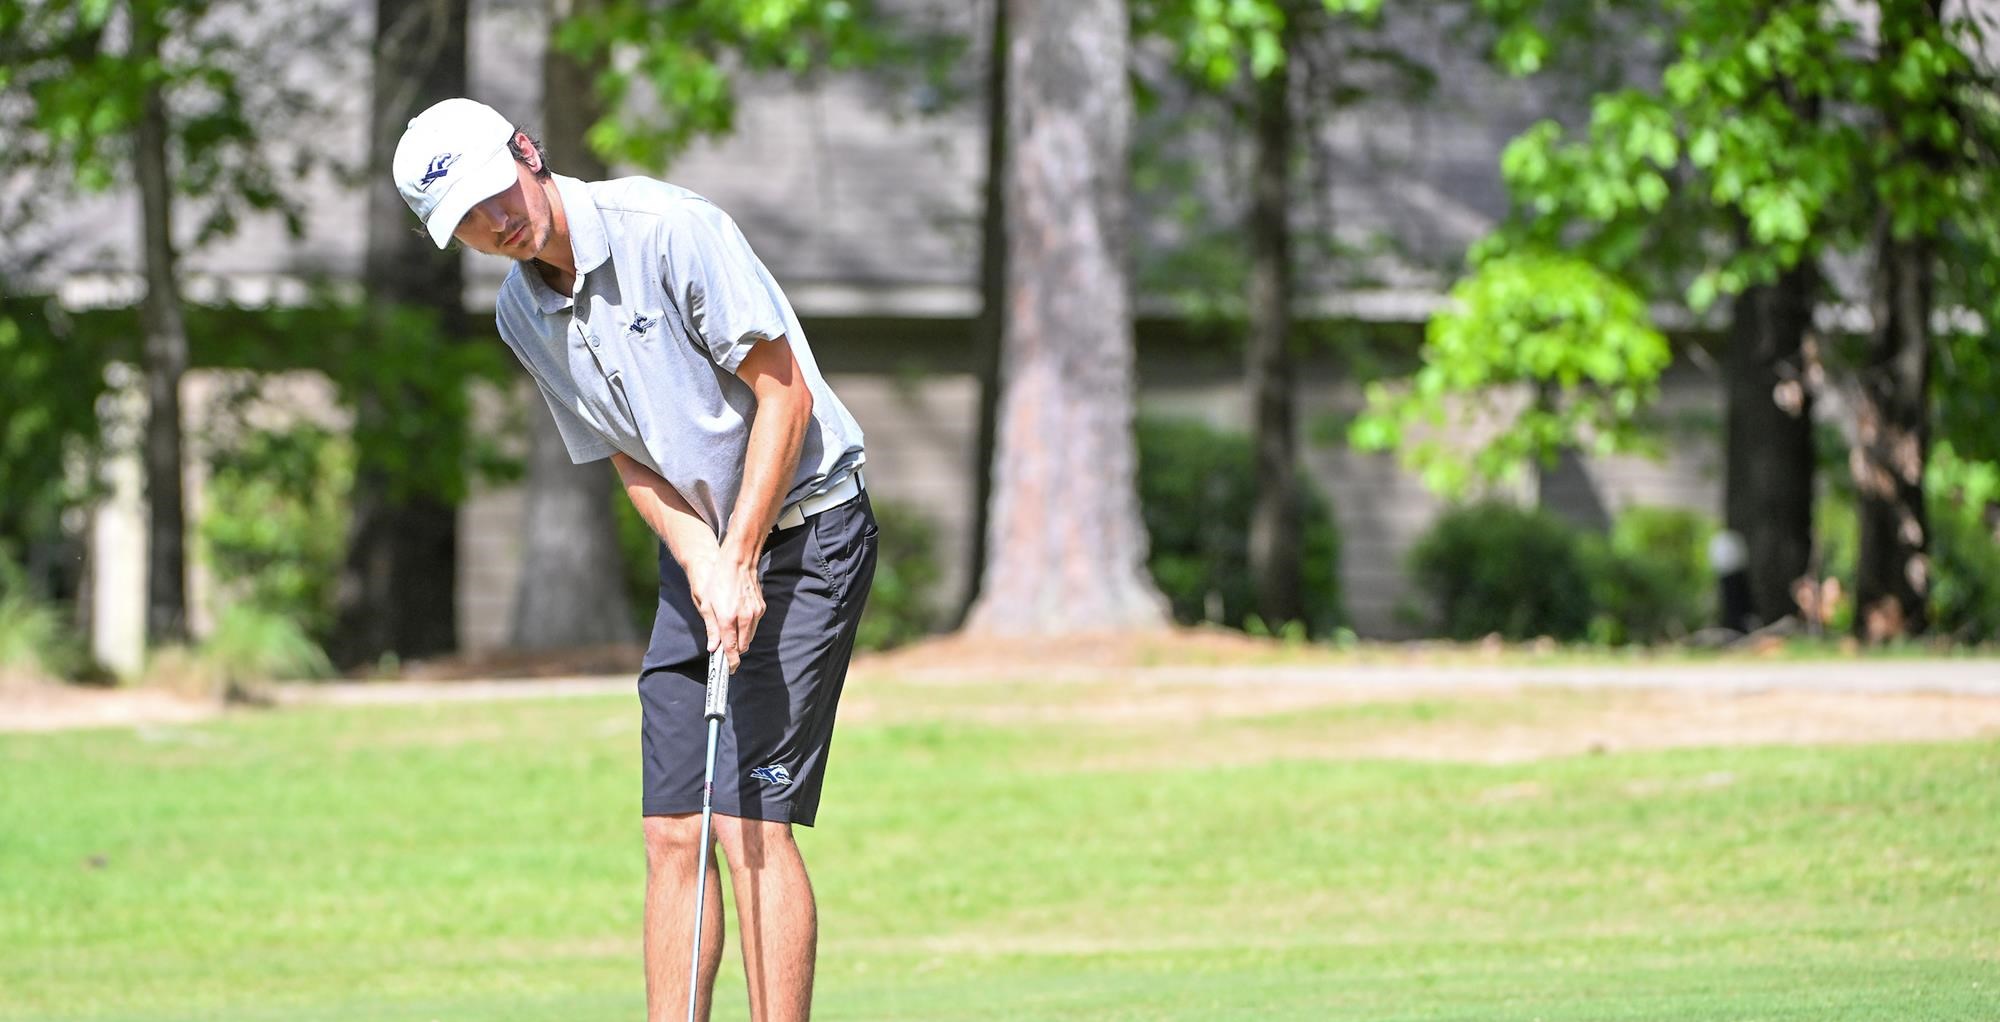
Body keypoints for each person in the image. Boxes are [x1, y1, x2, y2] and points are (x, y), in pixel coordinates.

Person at [392, 97, 877, 1022]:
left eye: (494, 194)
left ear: (526, 152)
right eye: (467, 224)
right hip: (705, 550)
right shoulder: (520, 314)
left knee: (748, 822)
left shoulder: (671, 230)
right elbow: (627, 451)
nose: (495, 225)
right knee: (672, 828)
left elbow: (785, 397)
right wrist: (702, 557)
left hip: (809, 532)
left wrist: (737, 555)